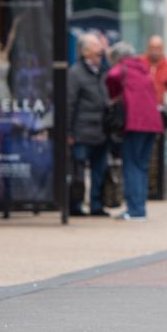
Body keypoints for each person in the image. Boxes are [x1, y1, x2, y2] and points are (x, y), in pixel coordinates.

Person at [106, 42, 164, 221]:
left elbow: (111, 77)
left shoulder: (122, 68)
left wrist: (114, 95)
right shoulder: (143, 68)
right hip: (153, 124)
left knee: (131, 165)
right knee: (142, 166)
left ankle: (134, 209)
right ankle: (140, 207)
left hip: (134, 123)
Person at [67, 34, 111, 216]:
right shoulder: (75, 73)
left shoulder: (103, 71)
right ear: (85, 52)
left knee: (99, 171)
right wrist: (68, 131)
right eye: (95, 47)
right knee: (78, 171)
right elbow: (69, 103)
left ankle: (96, 204)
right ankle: (75, 204)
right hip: (82, 131)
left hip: (102, 131)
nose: (100, 50)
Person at [141, 35, 167, 118]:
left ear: (162, 49)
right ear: (148, 48)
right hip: (140, 110)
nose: (155, 51)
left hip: (157, 111)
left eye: (158, 48)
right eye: (152, 48)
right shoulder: (139, 63)